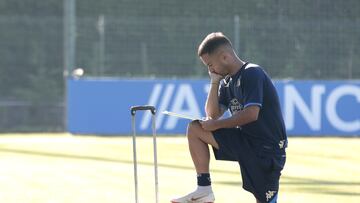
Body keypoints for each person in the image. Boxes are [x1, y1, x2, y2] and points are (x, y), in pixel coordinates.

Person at [171, 32, 287, 203]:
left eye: (210, 64)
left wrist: (216, 125)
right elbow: (213, 114)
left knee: (265, 200)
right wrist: (214, 82)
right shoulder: (227, 82)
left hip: (266, 149)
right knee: (196, 128)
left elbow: (251, 114)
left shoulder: (252, 73)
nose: (210, 70)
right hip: (245, 141)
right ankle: (204, 189)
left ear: (224, 57)